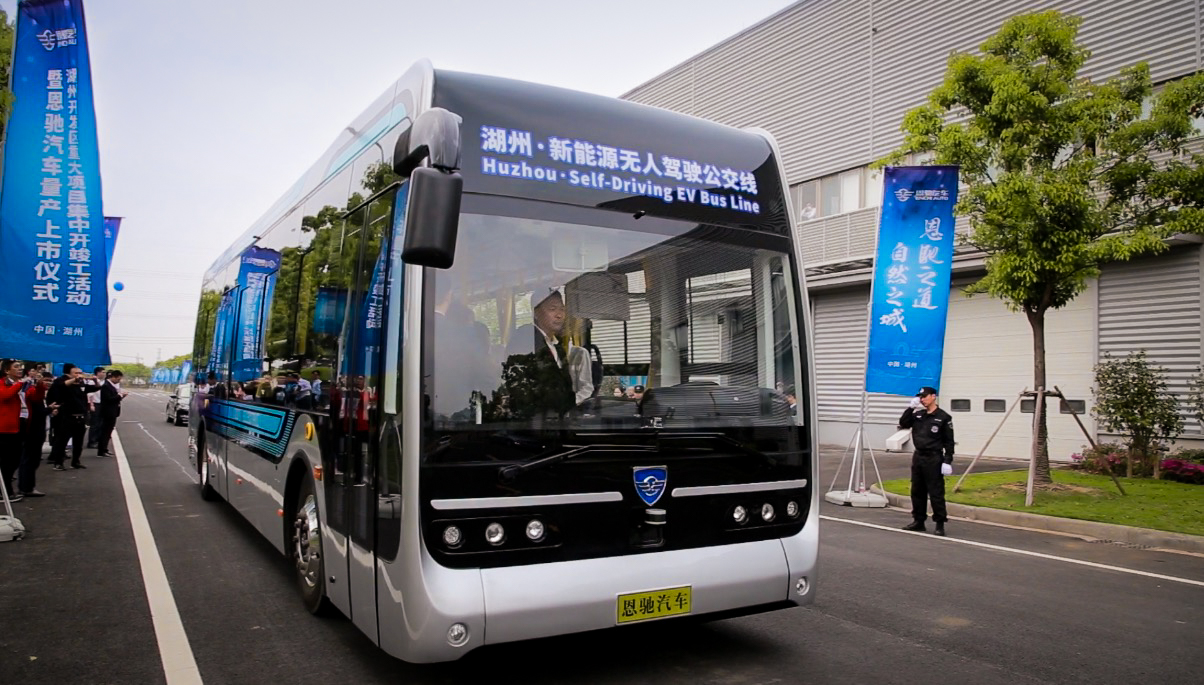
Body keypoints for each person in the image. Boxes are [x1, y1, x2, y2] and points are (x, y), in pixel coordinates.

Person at [898, 386, 955, 536]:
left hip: (934, 458)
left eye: (925, 396)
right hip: (919, 457)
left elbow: (949, 442)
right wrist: (910, 408)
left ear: (933, 397)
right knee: (917, 491)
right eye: (920, 397)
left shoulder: (943, 417)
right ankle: (919, 521)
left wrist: (947, 461)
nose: (922, 399)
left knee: (936, 492)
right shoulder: (918, 415)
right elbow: (903, 423)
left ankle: (940, 523)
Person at [47, 364, 92, 470]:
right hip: (66, 417)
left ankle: (75, 461)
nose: (79, 375)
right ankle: (58, 463)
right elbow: (62, 386)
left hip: (80, 416)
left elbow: (94, 388)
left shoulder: (80, 384)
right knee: (62, 441)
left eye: (80, 373)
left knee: (78, 442)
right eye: (76, 373)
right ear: (68, 373)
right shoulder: (59, 382)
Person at [18, 368, 52, 497]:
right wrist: (49, 409)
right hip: (33, 430)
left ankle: (27, 486)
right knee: (30, 460)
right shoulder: (33, 391)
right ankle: (26, 487)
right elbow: (38, 413)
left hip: (36, 429)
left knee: (31, 459)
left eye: (50, 381)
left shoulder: (36, 392)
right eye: (45, 380)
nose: (48, 383)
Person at [1, 360, 28, 502]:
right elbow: (4, 396)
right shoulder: (3, 383)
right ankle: (5, 492)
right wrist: (19, 384)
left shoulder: (20, 384)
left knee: (15, 459)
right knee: (7, 461)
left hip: (18, 426)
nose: (20, 369)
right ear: (6, 370)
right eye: (16, 367)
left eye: (21, 367)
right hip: (4, 429)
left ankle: (6, 489)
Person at [96, 370, 128, 458]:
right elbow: (109, 399)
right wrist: (120, 396)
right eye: (118, 379)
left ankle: (104, 449)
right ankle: (101, 450)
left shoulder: (111, 386)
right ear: (113, 377)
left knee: (108, 432)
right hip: (108, 412)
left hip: (112, 412)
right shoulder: (106, 386)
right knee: (105, 432)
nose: (118, 381)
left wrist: (120, 397)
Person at [84, 365, 105, 449]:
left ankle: (96, 440)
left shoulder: (101, 381)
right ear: (98, 373)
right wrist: (91, 405)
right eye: (103, 372)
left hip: (101, 404)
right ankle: (91, 441)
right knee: (94, 424)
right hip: (95, 404)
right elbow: (89, 395)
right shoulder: (92, 382)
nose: (104, 374)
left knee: (100, 423)